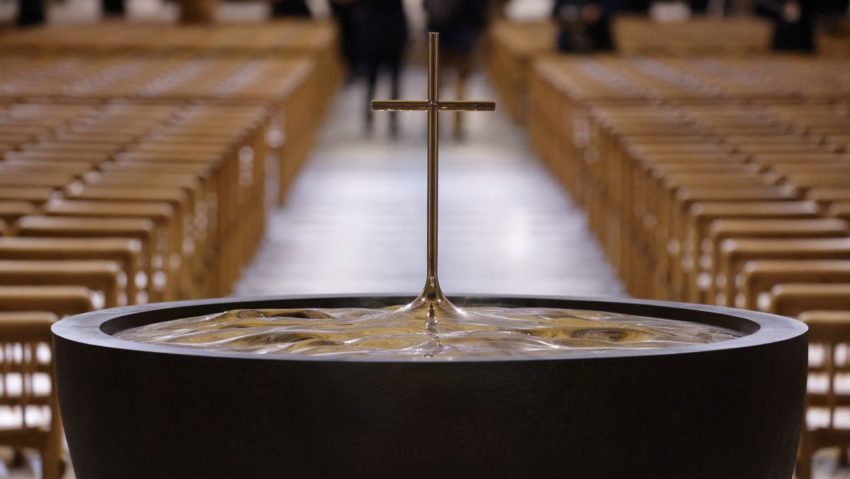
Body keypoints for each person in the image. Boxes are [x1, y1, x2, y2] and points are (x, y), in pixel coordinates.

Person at [423, 0, 488, 139]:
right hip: (462, 35)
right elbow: (479, 10)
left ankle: (434, 121)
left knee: (437, 82)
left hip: (439, 34)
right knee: (460, 81)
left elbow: (427, 5)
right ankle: (458, 124)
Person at [355, 0, 408, 136]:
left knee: (375, 81)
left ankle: (373, 117)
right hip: (388, 32)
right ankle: (388, 118)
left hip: (376, 32)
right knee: (384, 81)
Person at [330, 0, 358, 80]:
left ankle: (351, 67)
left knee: (350, 40)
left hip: (351, 8)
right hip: (337, 8)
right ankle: (342, 68)